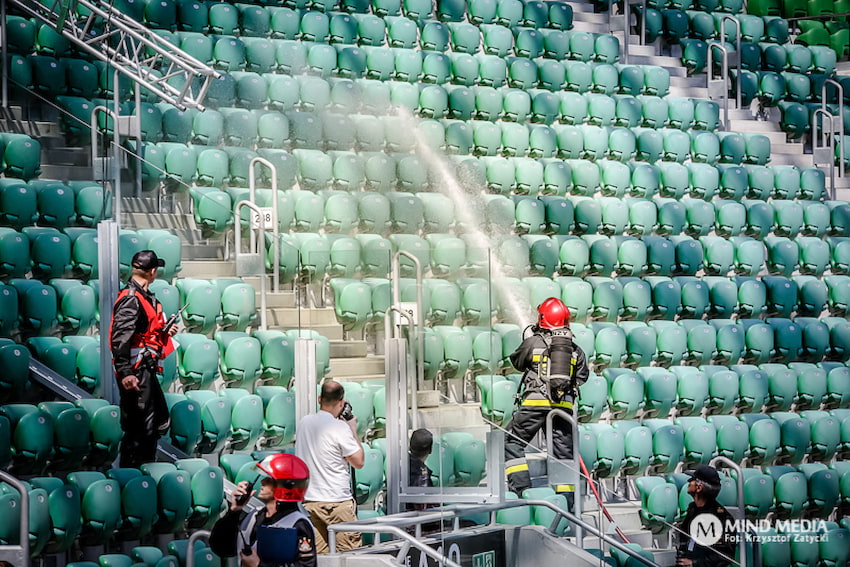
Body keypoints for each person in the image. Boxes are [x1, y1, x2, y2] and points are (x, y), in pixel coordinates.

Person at [504, 297, 589, 498]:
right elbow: (583, 377)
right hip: (563, 408)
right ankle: (567, 502)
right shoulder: (575, 350)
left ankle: (521, 491)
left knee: (512, 441)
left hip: (535, 403)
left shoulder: (533, 343)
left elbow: (517, 362)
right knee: (563, 455)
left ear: (543, 319)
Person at [110, 250, 178, 469]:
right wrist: (125, 372)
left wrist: (165, 331)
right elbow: (120, 337)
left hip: (144, 369)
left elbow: (144, 331)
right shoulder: (132, 298)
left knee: (155, 422)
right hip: (136, 371)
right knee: (140, 428)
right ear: (153, 271)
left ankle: (143, 472)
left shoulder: (144, 296)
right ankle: (134, 476)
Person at [210, 453, 317, 567]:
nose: (262, 482)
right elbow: (221, 548)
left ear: (284, 486)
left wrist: (259, 565)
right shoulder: (254, 517)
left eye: (268, 479)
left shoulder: (298, 524)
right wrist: (234, 511)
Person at [295, 380, 364, 554]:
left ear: (319, 399)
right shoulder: (340, 427)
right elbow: (359, 462)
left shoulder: (304, 423)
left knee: (319, 559)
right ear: (341, 403)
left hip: (311, 502)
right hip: (337, 502)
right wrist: (352, 429)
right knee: (350, 558)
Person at [676, 465, 735, 567]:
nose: (688, 482)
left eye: (692, 480)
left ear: (699, 488)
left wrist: (694, 563)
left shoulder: (722, 518)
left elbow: (725, 555)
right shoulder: (693, 509)